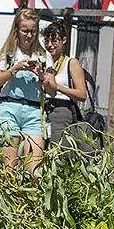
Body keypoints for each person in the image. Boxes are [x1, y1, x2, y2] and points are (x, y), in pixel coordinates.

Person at [0, 6, 51, 168]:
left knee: (35, 169)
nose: (29, 36)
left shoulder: (44, 57)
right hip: (9, 110)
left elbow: (53, 90)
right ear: (16, 30)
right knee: (10, 166)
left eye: (33, 31)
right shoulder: (8, 54)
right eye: (25, 31)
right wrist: (14, 68)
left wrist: (41, 76)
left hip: (34, 112)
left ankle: (34, 192)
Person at [39, 18, 92, 146]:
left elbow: (82, 94)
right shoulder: (44, 61)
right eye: (47, 41)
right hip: (42, 108)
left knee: (58, 151)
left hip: (61, 110)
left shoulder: (71, 63)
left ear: (64, 40)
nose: (50, 45)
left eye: (54, 41)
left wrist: (58, 87)